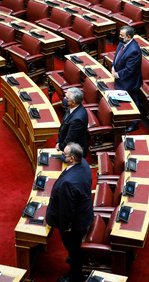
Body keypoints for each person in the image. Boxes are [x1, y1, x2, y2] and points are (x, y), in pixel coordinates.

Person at [45, 142, 94, 282]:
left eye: (64, 154)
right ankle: (74, 258)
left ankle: (74, 276)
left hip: (75, 223)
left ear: (72, 158)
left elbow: (67, 209)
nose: (61, 154)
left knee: (73, 248)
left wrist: (66, 226)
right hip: (84, 212)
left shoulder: (69, 183)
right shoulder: (83, 163)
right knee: (75, 247)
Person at [112, 26, 143, 133]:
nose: (119, 37)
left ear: (128, 37)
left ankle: (135, 124)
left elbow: (130, 70)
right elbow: (117, 56)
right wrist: (113, 66)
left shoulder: (134, 50)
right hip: (121, 78)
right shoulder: (122, 43)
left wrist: (117, 74)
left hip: (130, 82)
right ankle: (124, 119)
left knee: (133, 101)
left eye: (122, 35)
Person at [56, 87, 88, 158]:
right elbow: (63, 126)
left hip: (73, 153)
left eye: (66, 98)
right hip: (65, 144)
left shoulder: (77, 120)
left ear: (73, 102)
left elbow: (70, 139)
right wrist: (58, 141)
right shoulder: (72, 107)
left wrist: (60, 146)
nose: (64, 98)